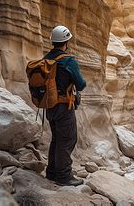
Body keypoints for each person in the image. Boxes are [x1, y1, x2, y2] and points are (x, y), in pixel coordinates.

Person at [44, 25, 86, 186]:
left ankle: (52, 172)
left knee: (56, 139)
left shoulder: (46, 58)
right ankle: (64, 176)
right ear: (66, 41)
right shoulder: (68, 60)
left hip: (49, 105)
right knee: (67, 140)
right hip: (64, 107)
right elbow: (81, 84)